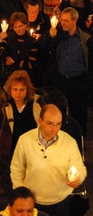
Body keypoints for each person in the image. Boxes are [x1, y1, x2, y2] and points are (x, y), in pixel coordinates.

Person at [10, 104, 87, 216]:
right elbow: (16, 168)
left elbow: (79, 167)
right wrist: (21, 195)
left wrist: (78, 178)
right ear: (40, 121)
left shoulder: (69, 142)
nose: (54, 129)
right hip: (32, 201)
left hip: (60, 201)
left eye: (58, 124)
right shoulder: (25, 140)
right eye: (50, 123)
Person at [45, 7, 93, 136]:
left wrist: (87, 82)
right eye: (62, 20)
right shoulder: (59, 35)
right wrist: (51, 36)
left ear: (74, 21)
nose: (63, 23)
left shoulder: (85, 39)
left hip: (78, 80)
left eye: (66, 21)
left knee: (79, 113)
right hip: (61, 80)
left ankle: (79, 140)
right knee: (58, 112)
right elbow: (45, 49)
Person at [0, 70, 40, 164]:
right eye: (15, 89)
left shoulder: (36, 104)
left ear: (27, 90)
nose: (18, 93)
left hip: (31, 147)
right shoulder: (4, 104)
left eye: (22, 90)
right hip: (8, 147)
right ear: (10, 90)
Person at [0, 12, 39, 86]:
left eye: (20, 26)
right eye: (15, 27)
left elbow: (31, 63)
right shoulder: (8, 38)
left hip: (26, 77)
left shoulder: (32, 41)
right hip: (9, 76)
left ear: (26, 25)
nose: (18, 29)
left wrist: (14, 62)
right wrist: (0, 41)